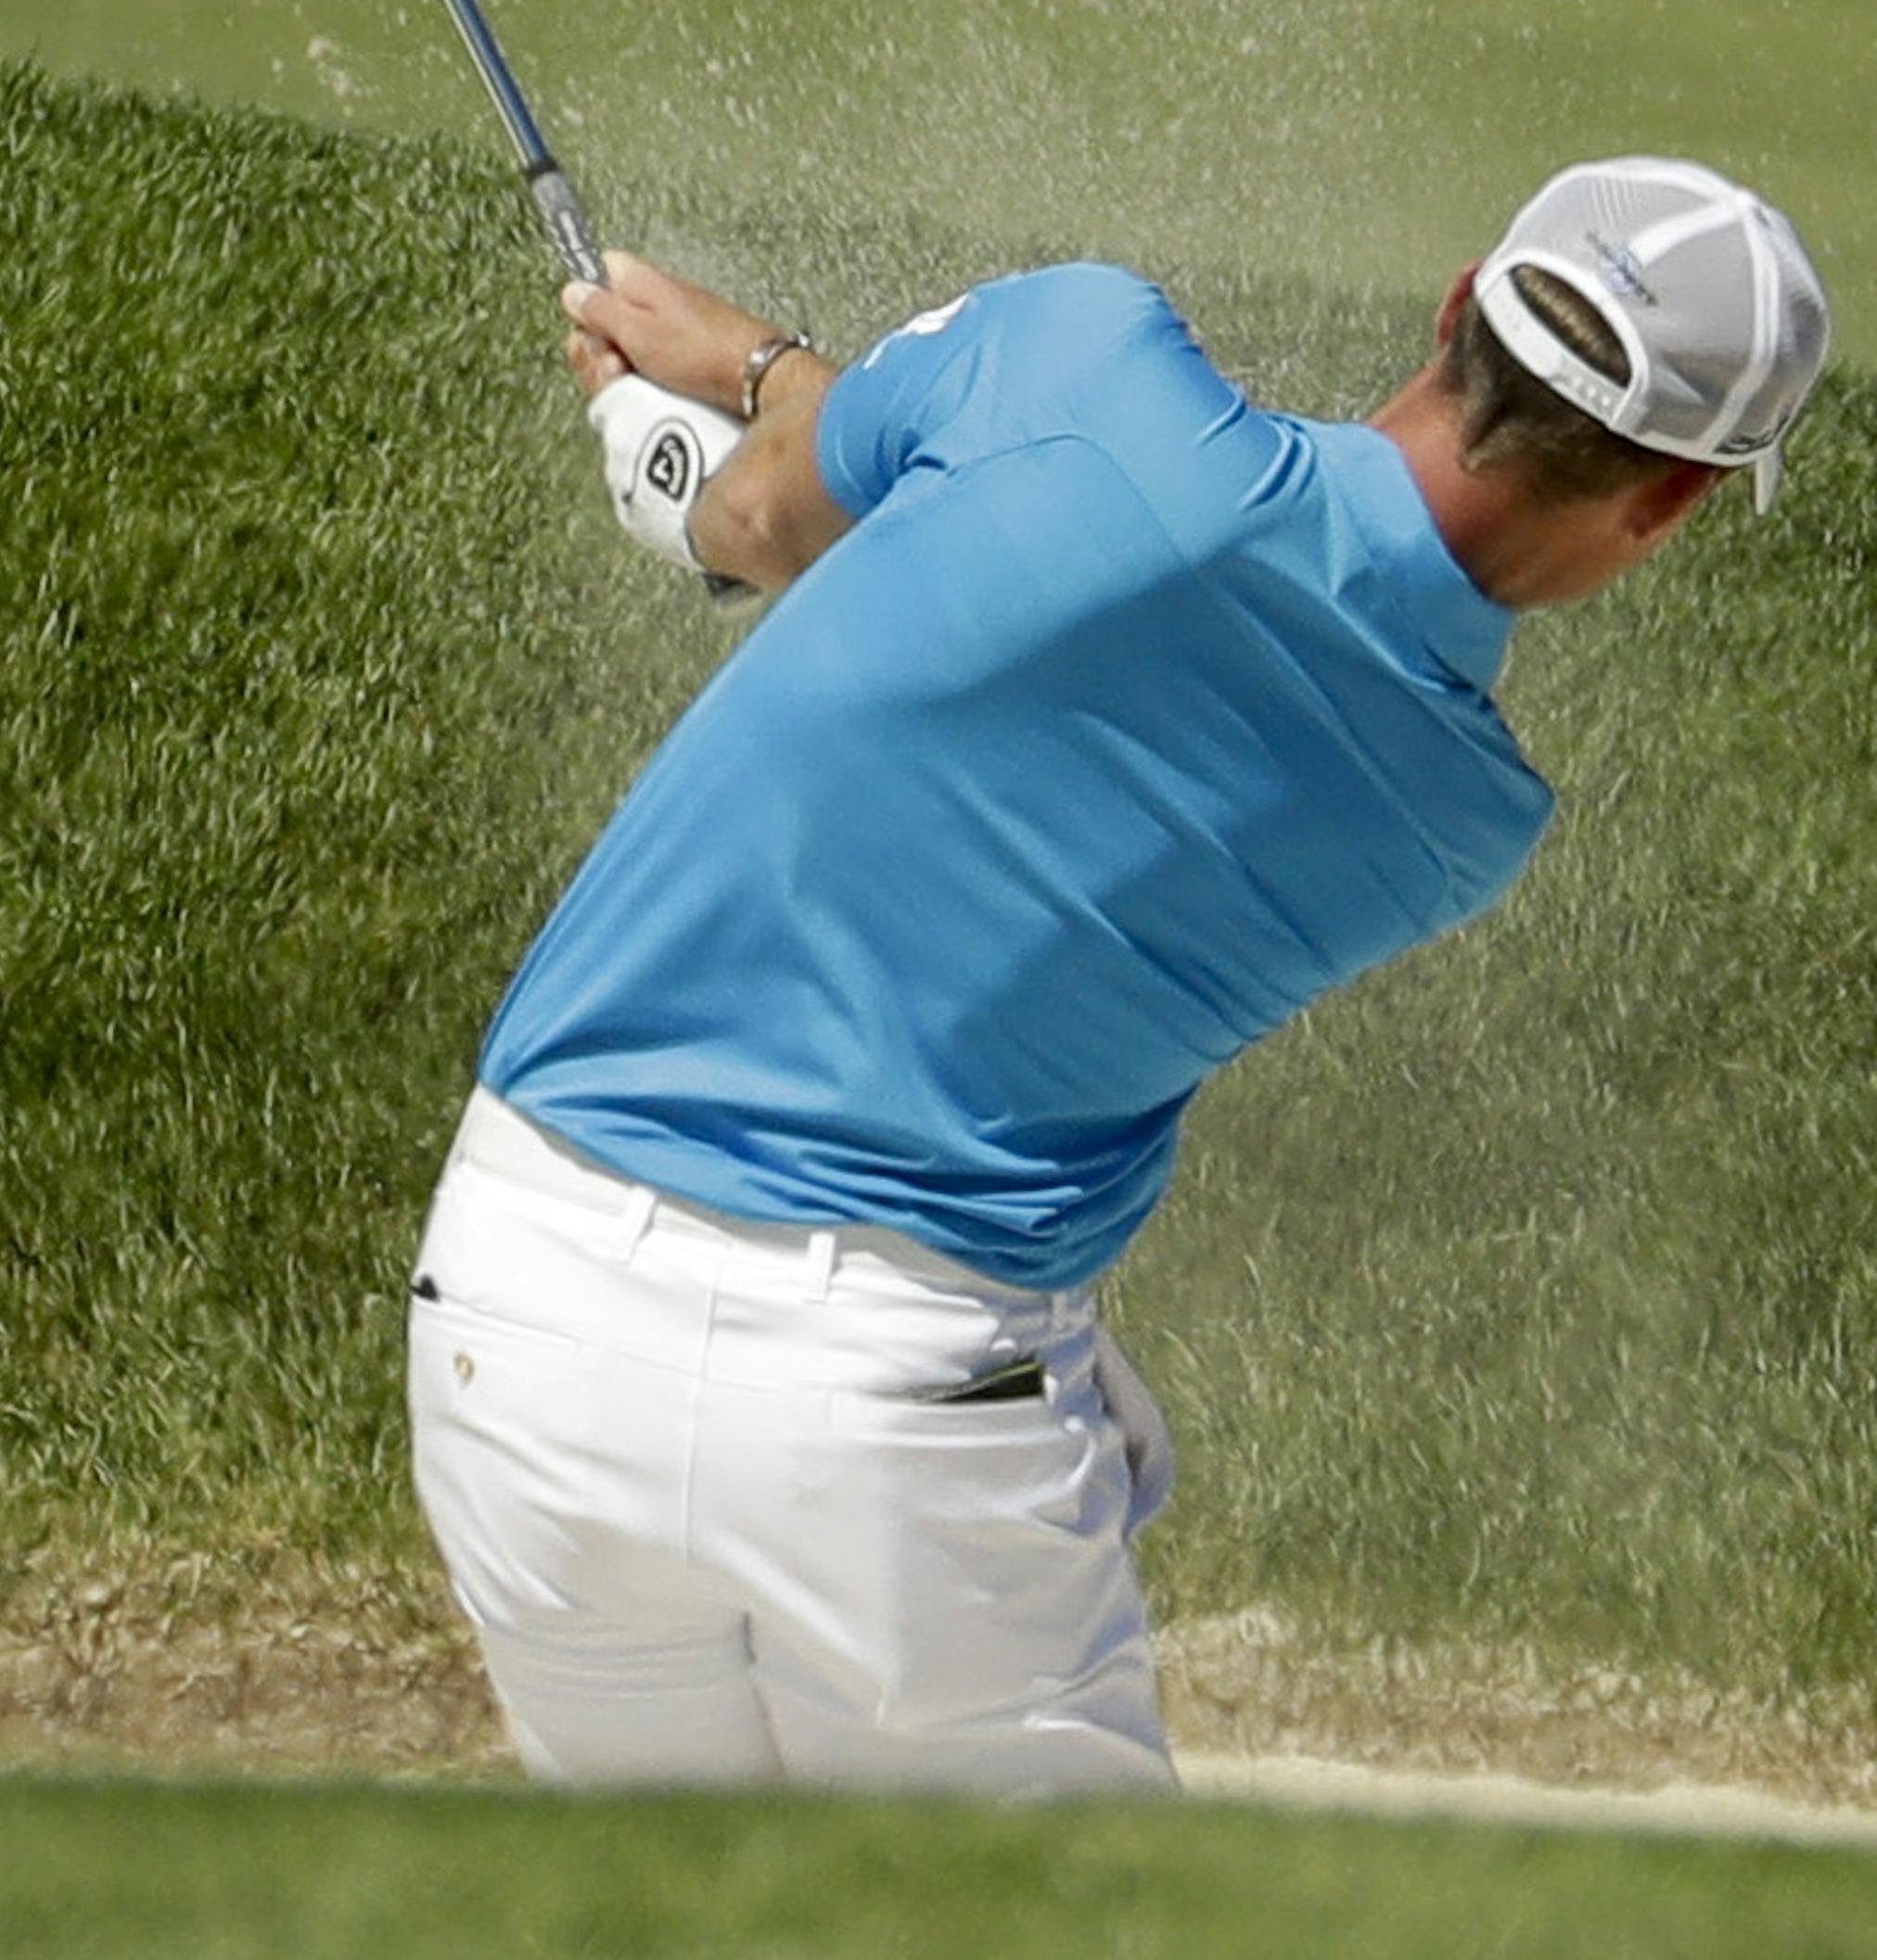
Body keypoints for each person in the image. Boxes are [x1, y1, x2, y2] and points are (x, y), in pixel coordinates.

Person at [409, 155, 1829, 1797]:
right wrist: (775, 392)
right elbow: (1082, 556)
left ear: (1458, 307)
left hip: (517, 1309)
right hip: (893, 1416)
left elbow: (757, 515)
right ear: (1669, 503)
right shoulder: (1456, 820)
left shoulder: (1075, 361)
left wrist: (724, 405)